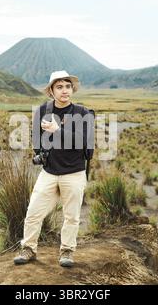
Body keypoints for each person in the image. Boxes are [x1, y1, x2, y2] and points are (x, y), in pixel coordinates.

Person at [14, 70, 94, 267]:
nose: (65, 91)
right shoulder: (42, 111)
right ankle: (28, 248)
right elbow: (35, 142)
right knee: (33, 212)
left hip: (74, 173)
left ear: (72, 89)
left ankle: (67, 251)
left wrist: (57, 130)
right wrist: (44, 142)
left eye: (68, 86)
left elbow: (83, 142)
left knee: (71, 216)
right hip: (48, 173)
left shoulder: (82, 113)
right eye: (59, 87)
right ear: (51, 91)